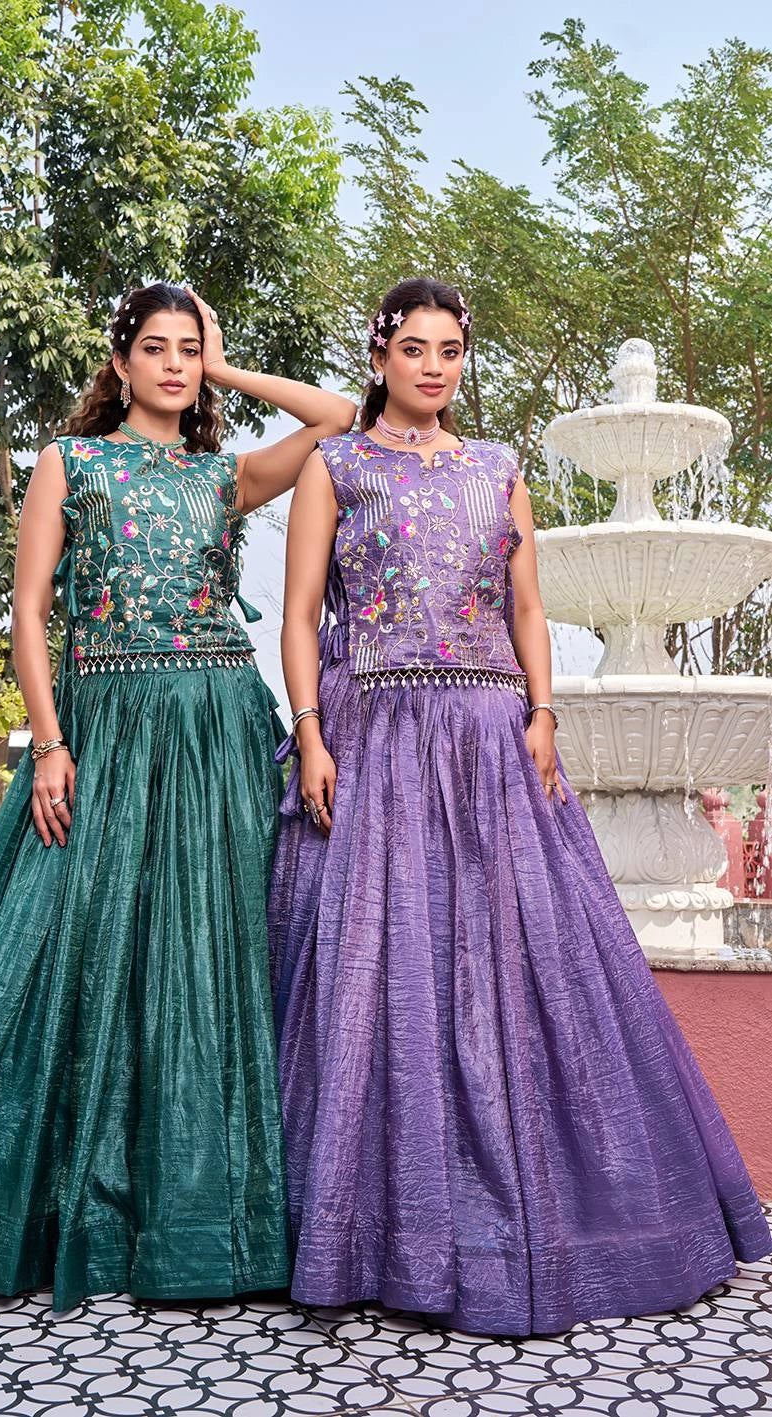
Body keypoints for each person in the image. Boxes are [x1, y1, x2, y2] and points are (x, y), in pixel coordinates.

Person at [0, 281, 357, 1312]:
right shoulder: (69, 463)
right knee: (69, 943)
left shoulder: (223, 474)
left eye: (188, 350)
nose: (173, 365)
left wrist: (224, 361)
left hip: (218, 729)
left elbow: (336, 417)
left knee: (207, 953)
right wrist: (48, 742)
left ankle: (201, 1209)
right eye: (155, 348)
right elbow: (28, 610)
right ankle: (43, 1202)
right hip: (106, 726)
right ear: (118, 363)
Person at [267, 276, 771, 1337]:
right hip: (379, 738)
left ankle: (547, 1214)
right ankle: (371, 1232)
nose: (435, 366)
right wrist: (310, 731)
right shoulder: (337, 467)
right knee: (379, 973)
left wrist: (542, 715)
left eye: (450, 349)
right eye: (415, 348)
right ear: (380, 358)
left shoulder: (499, 471)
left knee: (515, 964)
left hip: (493, 738)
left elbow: (529, 605)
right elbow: (301, 616)